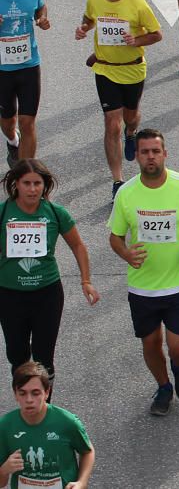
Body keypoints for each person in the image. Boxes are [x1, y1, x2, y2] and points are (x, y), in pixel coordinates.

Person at [108, 129, 179, 416]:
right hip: (143, 287)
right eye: (144, 152)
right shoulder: (126, 194)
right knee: (151, 342)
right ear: (137, 157)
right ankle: (163, 386)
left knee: (178, 347)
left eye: (155, 151)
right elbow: (115, 237)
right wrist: (126, 253)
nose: (150, 157)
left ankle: (178, 367)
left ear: (165, 154)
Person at [1, 161, 99, 391]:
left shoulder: (55, 212)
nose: (33, 189)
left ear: (45, 185)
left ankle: (44, 406)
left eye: (38, 183)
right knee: (17, 355)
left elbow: (78, 246)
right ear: (16, 184)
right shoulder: (4, 213)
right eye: (27, 183)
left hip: (47, 294)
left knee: (44, 357)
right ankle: (26, 403)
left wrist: (86, 281)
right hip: (9, 294)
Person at [74, 0, 163, 199]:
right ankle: (118, 181)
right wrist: (83, 29)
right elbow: (89, 18)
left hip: (132, 69)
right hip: (105, 69)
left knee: (130, 117)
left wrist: (137, 40)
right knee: (112, 124)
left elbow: (157, 34)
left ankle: (132, 133)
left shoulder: (137, 4)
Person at [0, 362, 94, 489]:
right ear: (15, 394)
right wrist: (4, 470)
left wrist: (82, 482)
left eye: (35, 393)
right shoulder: (5, 426)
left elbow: (87, 451)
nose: (29, 400)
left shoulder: (67, 422)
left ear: (47, 393)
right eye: (22, 393)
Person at [0, 0, 49, 167]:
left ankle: (24, 172)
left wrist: (42, 18)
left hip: (29, 65)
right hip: (2, 70)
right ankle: (12, 140)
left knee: (28, 122)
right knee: (8, 122)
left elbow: (40, 8)